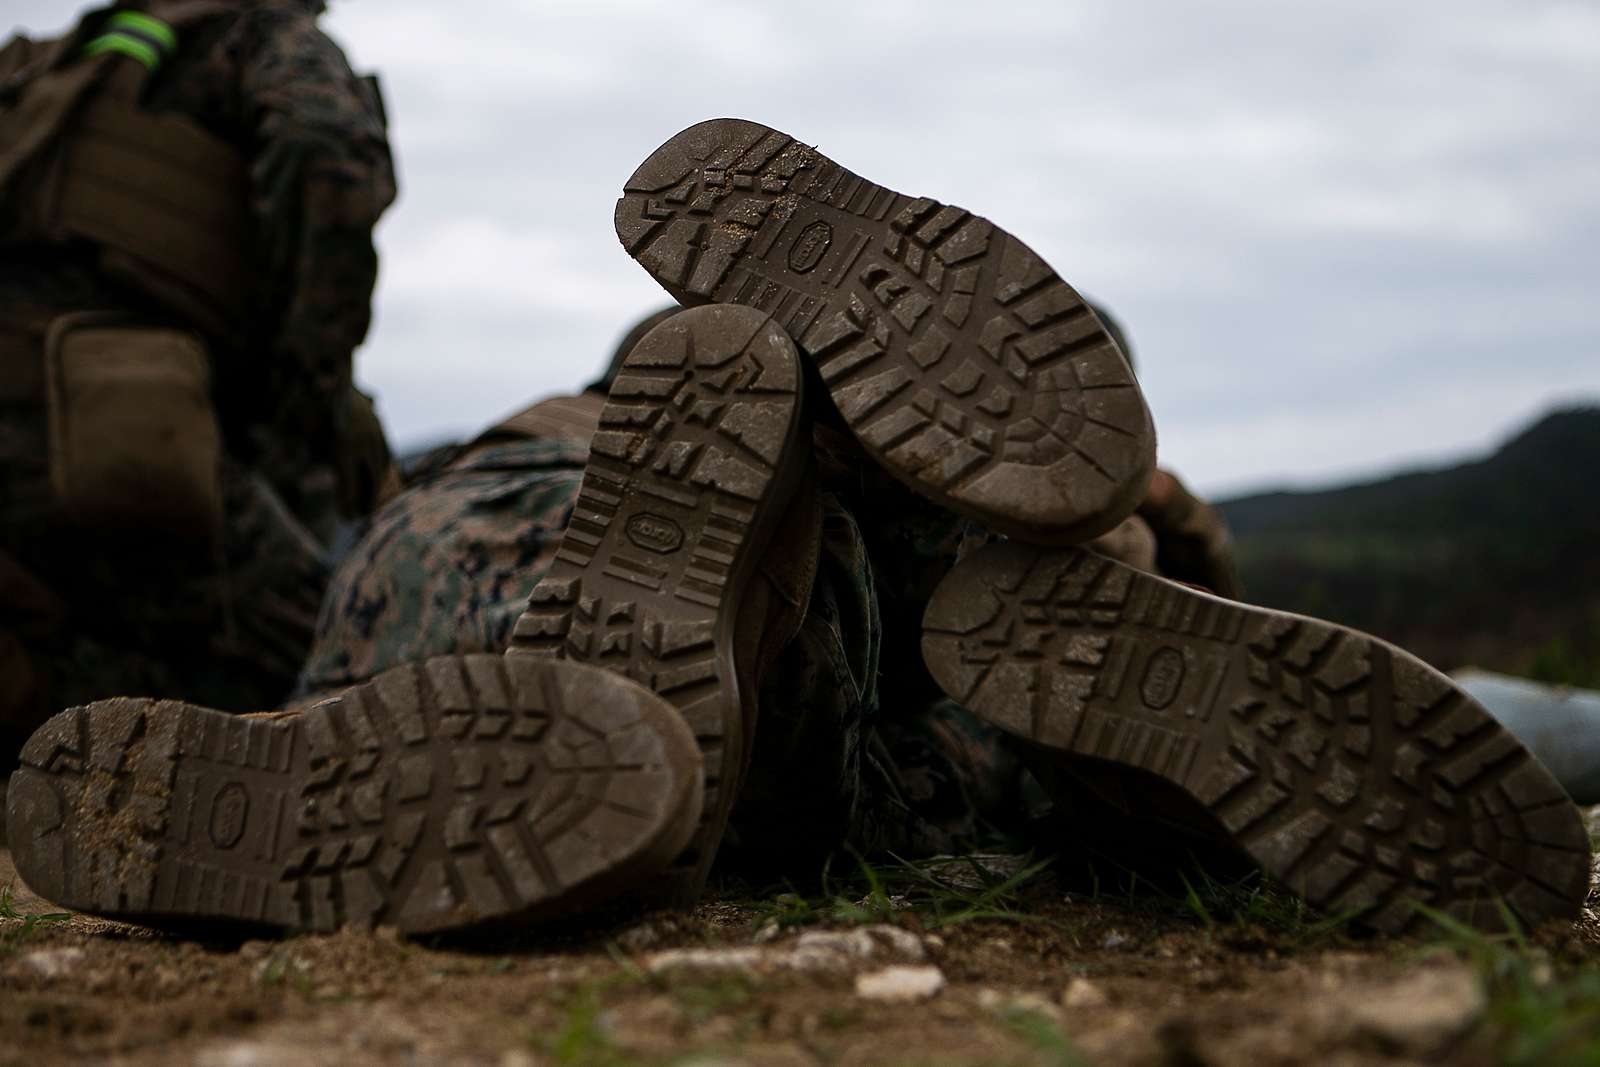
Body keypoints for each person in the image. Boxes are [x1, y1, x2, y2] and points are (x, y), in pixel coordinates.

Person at [6, 118, 1588, 937]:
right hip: (865, 633)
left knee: (600, 663)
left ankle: (795, 624)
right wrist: (1158, 533)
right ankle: (1049, 731)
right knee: (949, 729)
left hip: (445, 558)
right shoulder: (1009, 547)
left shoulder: (613, 418)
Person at [0, 0, 398, 764]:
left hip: (44, 444)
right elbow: (327, 152)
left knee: (102, 609)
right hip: (115, 428)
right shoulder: (260, 38)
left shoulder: (52, 64)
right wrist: (306, 393)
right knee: (343, 645)